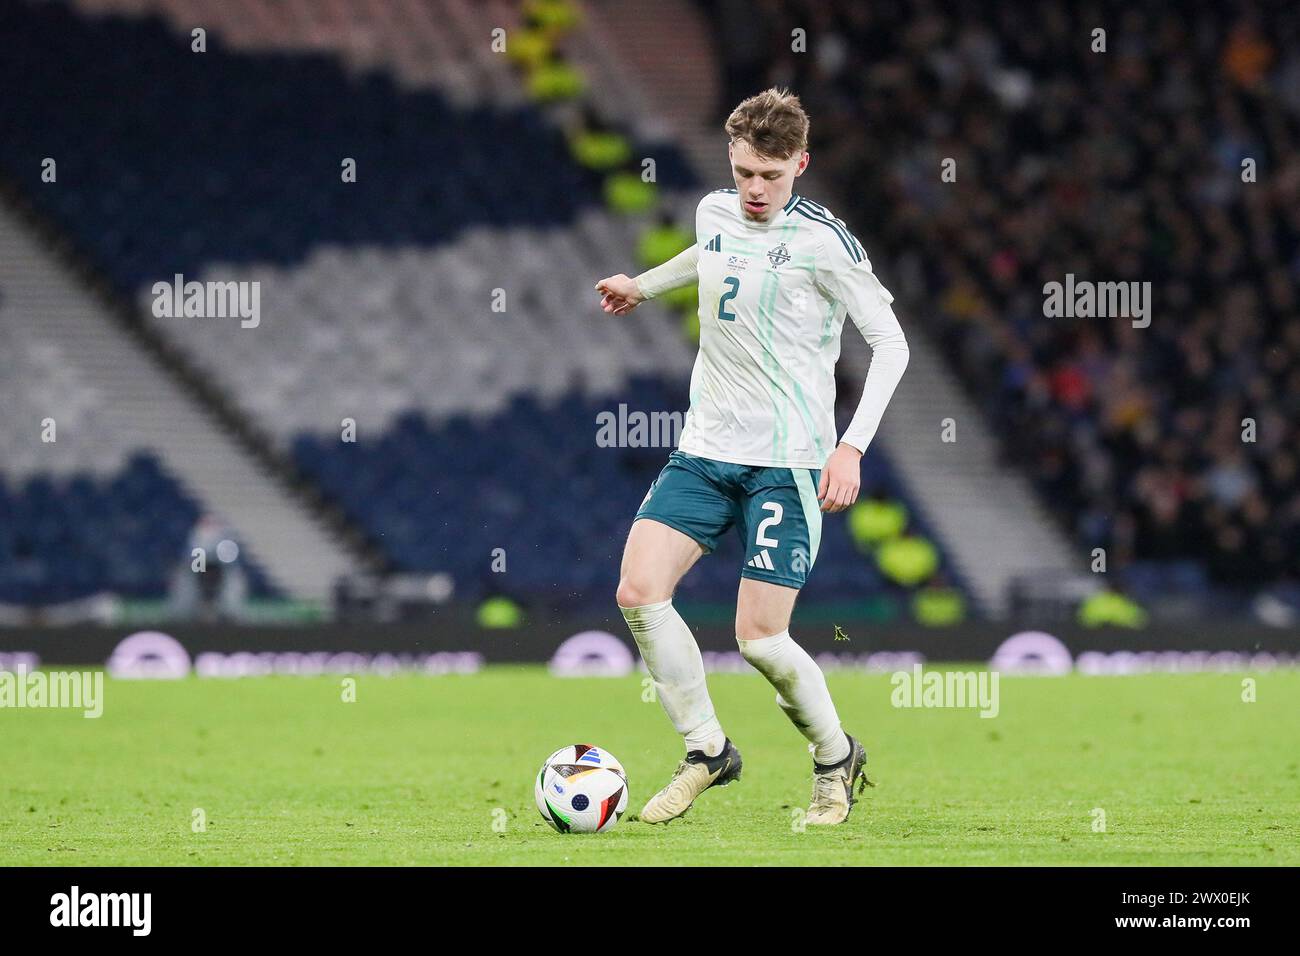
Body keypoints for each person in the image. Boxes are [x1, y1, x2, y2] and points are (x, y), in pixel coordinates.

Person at [594, 88, 909, 826]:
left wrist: (851, 445)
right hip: (705, 449)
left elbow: (892, 344)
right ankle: (707, 751)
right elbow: (711, 255)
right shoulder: (713, 211)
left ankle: (835, 758)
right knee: (639, 592)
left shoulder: (827, 243)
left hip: (788, 462)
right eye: (743, 174)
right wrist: (642, 284)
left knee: (760, 641)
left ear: (800, 163)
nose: (756, 190)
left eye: (770, 175)